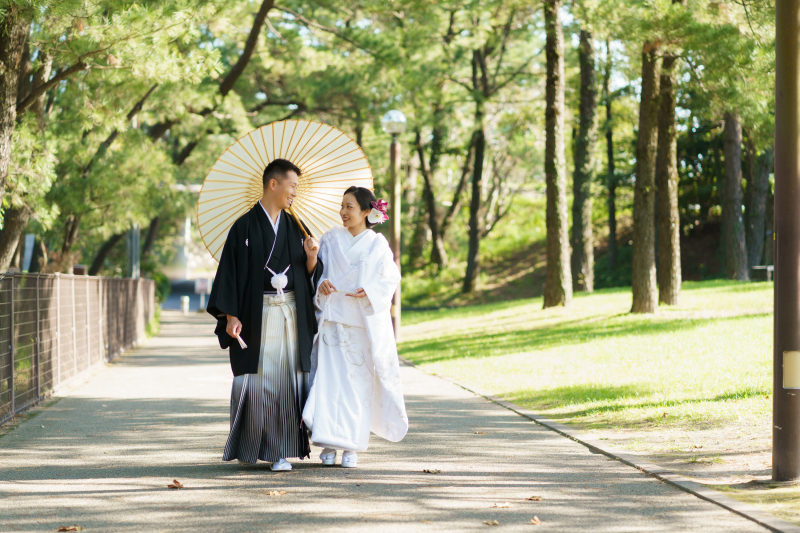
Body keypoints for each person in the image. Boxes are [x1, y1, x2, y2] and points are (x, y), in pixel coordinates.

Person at [206, 158, 324, 471]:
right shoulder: (244, 226)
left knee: (289, 382)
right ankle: (269, 449)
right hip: (258, 316)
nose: (295, 193)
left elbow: (312, 274)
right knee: (262, 382)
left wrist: (312, 258)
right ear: (274, 184)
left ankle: (282, 449)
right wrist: (231, 315)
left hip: (291, 313)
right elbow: (229, 275)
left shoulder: (297, 227)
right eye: (292, 186)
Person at [302, 186, 409, 468]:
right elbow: (316, 275)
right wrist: (319, 281)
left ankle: (352, 447)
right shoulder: (329, 239)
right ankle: (327, 444)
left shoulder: (376, 245)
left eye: (349, 207)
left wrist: (370, 290)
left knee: (355, 388)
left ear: (366, 211)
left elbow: (390, 279)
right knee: (328, 384)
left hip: (360, 326)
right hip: (332, 322)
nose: (343, 212)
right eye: (342, 206)